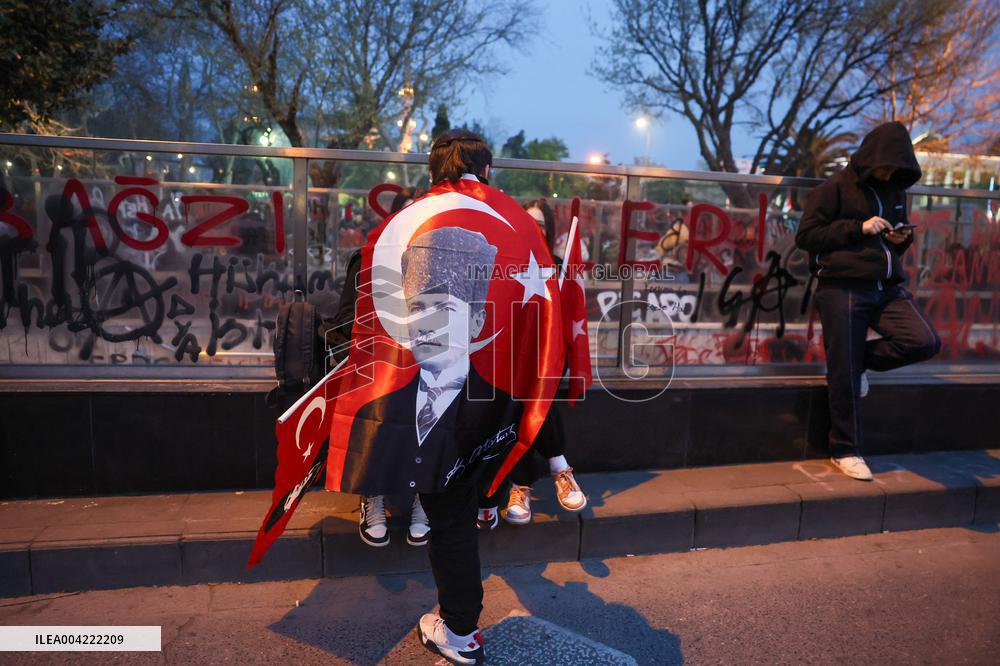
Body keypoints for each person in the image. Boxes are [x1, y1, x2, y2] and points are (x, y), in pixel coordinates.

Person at [795, 121, 941, 481]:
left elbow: (890, 242)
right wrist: (858, 228)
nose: (890, 172)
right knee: (841, 372)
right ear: (872, 157)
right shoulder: (835, 189)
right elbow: (807, 235)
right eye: (886, 165)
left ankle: (855, 362)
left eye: (897, 168)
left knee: (923, 341)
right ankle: (845, 449)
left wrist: (899, 238)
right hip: (842, 286)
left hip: (885, 286)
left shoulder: (895, 192)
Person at [330, 187, 433, 548]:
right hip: (377, 361)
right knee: (379, 395)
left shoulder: (436, 261)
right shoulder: (368, 259)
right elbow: (345, 318)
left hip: (423, 361)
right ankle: (372, 494)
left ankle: (423, 494)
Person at [477, 198, 587, 529]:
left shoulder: (558, 266)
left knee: (535, 387)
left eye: (541, 224)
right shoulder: (501, 260)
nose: (535, 229)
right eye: (529, 222)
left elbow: (570, 322)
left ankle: (521, 486)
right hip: (505, 359)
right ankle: (556, 467)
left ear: (549, 229)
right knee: (522, 389)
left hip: (545, 360)